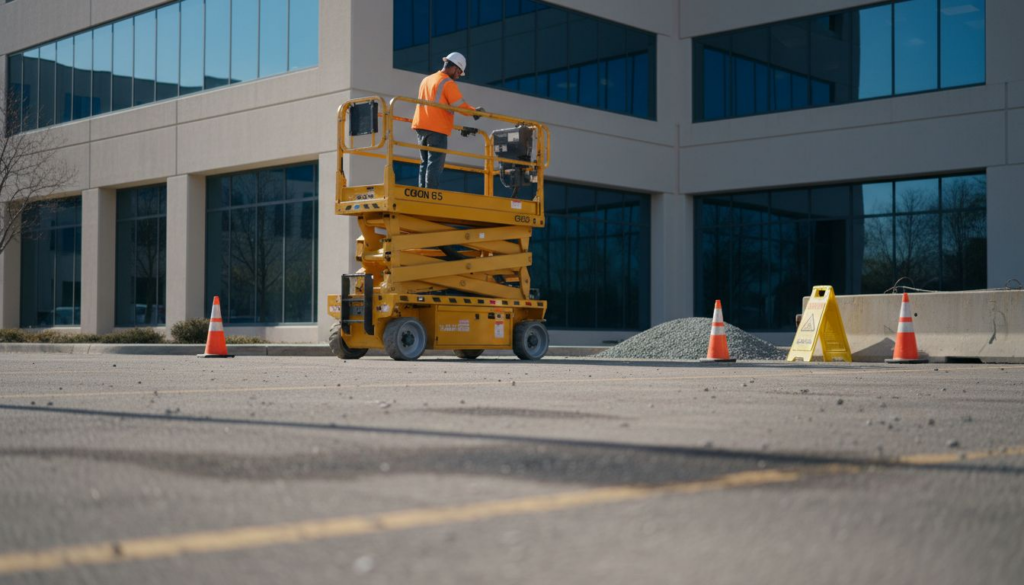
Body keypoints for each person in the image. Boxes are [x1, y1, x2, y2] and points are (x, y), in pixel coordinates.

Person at [410, 52, 483, 189]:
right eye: (458, 73)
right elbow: (459, 105)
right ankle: (431, 195)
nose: (457, 76)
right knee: (435, 163)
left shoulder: (427, 79)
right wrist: (474, 112)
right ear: (455, 68)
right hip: (437, 128)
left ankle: (423, 193)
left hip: (421, 126)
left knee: (424, 162)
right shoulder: (447, 82)